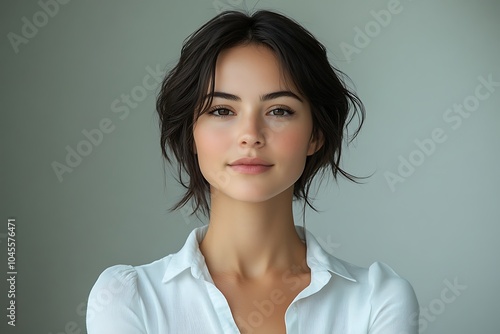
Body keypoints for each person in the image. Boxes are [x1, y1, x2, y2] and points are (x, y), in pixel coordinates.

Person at [86, 9, 419, 334]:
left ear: (315, 134)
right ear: (192, 133)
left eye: (278, 110)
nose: (250, 135)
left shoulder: (377, 301)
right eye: (221, 110)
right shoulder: (127, 298)